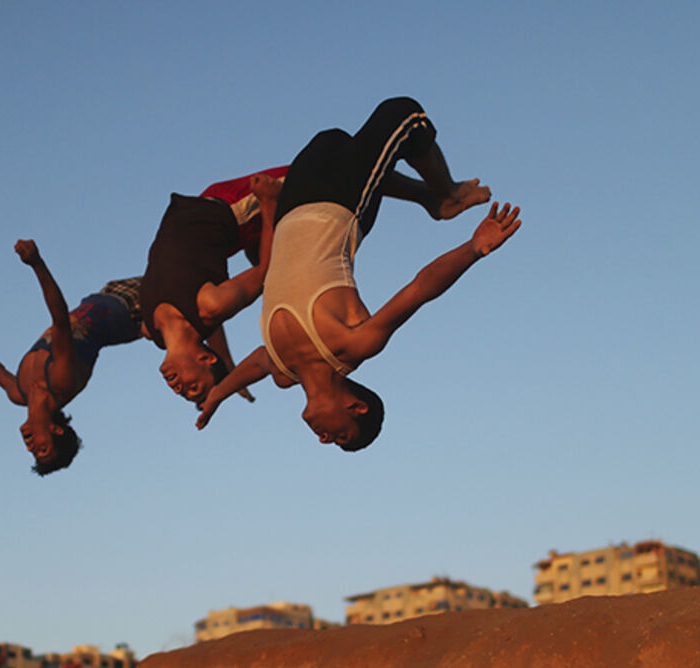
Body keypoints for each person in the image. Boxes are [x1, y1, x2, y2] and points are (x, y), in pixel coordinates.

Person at [196, 97, 520, 450]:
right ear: (356, 407)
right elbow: (418, 290)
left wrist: (217, 394)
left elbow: (256, 363)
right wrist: (473, 248)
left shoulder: (282, 371)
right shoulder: (354, 343)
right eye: (340, 435)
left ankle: (426, 198)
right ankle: (446, 195)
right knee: (405, 116)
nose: (323, 439)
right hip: (341, 202)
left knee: (330, 141)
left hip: (292, 204)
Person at [0, 240, 142, 474]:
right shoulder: (61, 383)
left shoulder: (19, 392)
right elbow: (60, 320)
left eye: (33, 453)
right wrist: (37, 263)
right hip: (133, 309)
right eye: (42, 449)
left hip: (104, 296)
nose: (30, 447)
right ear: (56, 430)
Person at [139, 167, 286, 405]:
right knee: (328, 170)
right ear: (206, 359)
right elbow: (263, 274)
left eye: (182, 394)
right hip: (235, 207)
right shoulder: (211, 306)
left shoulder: (152, 330)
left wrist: (227, 364)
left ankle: (255, 241)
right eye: (194, 387)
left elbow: (195, 330)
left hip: (199, 203)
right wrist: (269, 203)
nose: (178, 390)